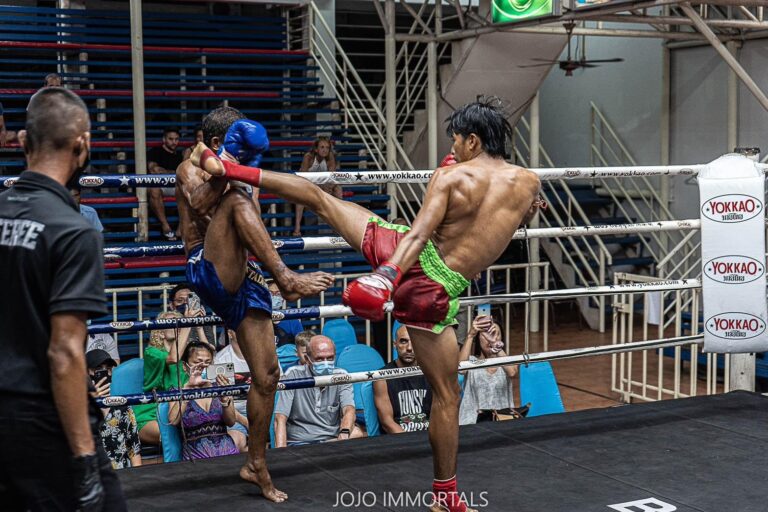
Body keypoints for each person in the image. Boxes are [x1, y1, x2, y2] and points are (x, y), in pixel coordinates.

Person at [191, 97, 544, 512]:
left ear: (472, 139)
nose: (455, 149)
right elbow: (513, 224)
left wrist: (386, 276)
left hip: (406, 261)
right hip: (440, 290)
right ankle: (446, 496)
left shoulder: (451, 178)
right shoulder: (529, 183)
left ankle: (232, 169)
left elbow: (416, 236)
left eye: (457, 141)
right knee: (446, 395)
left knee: (321, 200)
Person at [177, 106, 333, 502]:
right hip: (206, 267)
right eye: (234, 145)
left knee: (267, 375)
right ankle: (288, 278)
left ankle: (256, 463)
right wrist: (228, 167)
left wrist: (244, 173)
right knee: (235, 202)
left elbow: (254, 221)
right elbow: (199, 204)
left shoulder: (246, 170)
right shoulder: (191, 163)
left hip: (243, 274)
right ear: (219, 143)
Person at [0, 87, 126, 510]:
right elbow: (66, 352)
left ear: (21, 141)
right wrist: (86, 460)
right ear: (82, 144)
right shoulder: (73, 230)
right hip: (42, 418)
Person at [273, 335, 360, 446]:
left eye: (330, 358)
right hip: (300, 442)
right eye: (319, 359)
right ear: (307, 359)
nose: (325, 363)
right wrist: (282, 454)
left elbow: (349, 410)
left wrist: (344, 433)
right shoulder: (292, 375)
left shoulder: (342, 376)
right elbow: (280, 418)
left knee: (357, 432)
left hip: (332, 439)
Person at [168, 341, 239, 460]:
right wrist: (187, 390)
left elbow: (231, 422)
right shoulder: (177, 391)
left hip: (228, 452)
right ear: (185, 367)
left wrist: (225, 399)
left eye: (207, 362)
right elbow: (173, 420)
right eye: (197, 362)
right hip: (196, 457)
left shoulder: (220, 387)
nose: (202, 366)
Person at [133, 311, 192, 446]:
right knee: (172, 434)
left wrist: (198, 328)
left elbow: (208, 358)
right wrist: (187, 324)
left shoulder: (187, 358)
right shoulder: (151, 353)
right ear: (160, 332)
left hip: (179, 411)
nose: (175, 325)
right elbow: (173, 358)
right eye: (171, 323)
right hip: (151, 414)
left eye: (178, 322)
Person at [86, 350, 142, 470]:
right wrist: (92, 403)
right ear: (86, 373)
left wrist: (139, 480)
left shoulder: (123, 407)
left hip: (121, 475)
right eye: (98, 369)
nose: (105, 372)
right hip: (93, 474)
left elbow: (134, 450)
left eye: (108, 369)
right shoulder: (80, 408)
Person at [458, 316, 518, 425]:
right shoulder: (471, 361)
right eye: (486, 334)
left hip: (502, 422)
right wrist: (471, 335)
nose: (490, 338)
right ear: (478, 338)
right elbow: (461, 369)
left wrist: (495, 344)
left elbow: (512, 372)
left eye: (495, 333)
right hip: (471, 423)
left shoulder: (506, 361)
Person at [374, 323, 432, 434]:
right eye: (403, 341)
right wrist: (410, 442)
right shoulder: (382, 377)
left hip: (428, 438)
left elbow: (440, 414)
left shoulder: (431, 373)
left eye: (414, 342)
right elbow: (387, 422)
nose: (409, 348)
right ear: (395, 344)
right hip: (399, 440)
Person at [293, 136, 339, 237]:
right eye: (322, 147)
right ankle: (297, 229)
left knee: (338, 189)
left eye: (327, 147)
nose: (325, 150)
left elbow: (333, 176)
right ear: (316, 149)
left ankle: (338, 227)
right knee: (300, 197)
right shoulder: (308, 157)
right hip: (306, 183)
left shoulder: (330, 156)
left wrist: (329, 188)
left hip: (321, 184)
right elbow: (303, 178)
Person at [213, 329, 251, 452]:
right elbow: (221, 401)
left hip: (262, 411)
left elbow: (277, 389)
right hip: (236, 416)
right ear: (230, 334)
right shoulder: (221, 359)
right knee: (235, 443)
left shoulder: (261, 353)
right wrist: (246, 422)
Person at [148, 127, 183, 240]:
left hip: (175, 186)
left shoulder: (180, 156)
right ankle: (165, 226)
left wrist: (165, 171)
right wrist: (174, 172)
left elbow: (183, 174)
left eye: (176, 139)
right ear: (164, 139)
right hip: (161, 186)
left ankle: (180, 228)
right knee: (154, 189)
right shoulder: (155, 151)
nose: (174, 142)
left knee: (189, 189)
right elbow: (154, 170)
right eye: (171, 139)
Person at [267, 279, 304, 346]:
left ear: (283, 298)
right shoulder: (258, 320)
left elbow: (301, 345)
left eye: (278, 294)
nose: (274, 296)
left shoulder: (293, 321)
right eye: (270, 293)